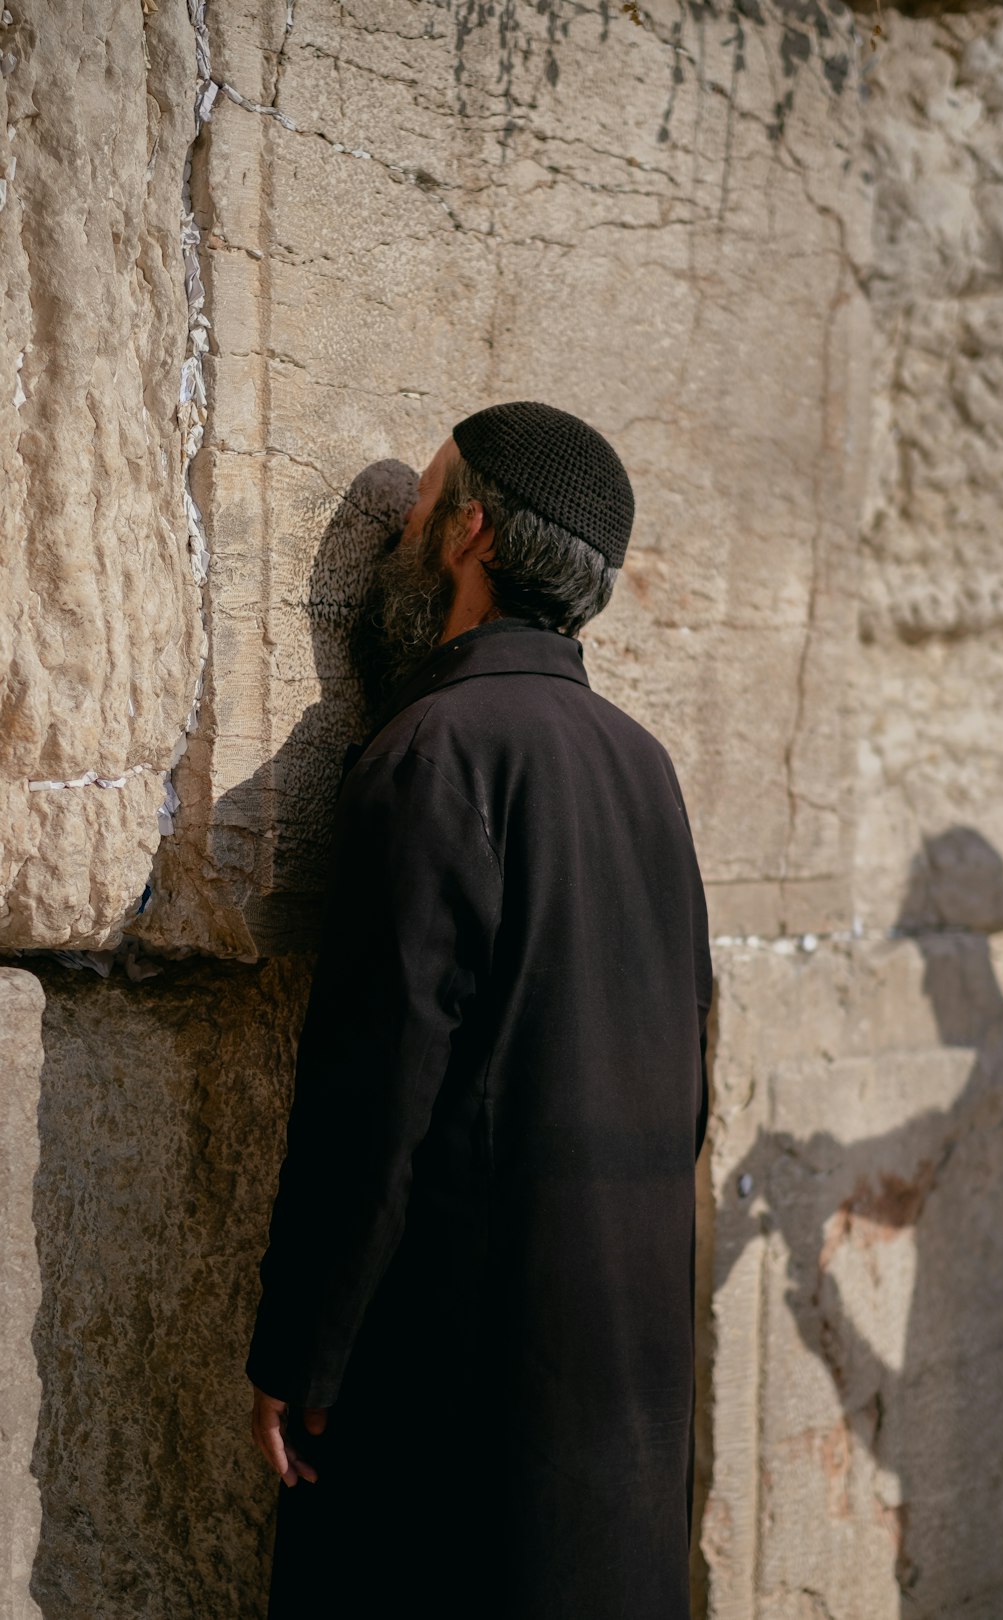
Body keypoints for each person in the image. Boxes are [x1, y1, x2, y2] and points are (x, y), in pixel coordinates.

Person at [246, 401, 713, 1619]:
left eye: (426, 498)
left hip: (466, 1387)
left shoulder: (436, 748)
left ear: (469, 534)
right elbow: (690, 1083)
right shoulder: (644, 766)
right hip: (623, 1389)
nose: (404, 521)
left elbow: (375, 1090)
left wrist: (305, 1354)